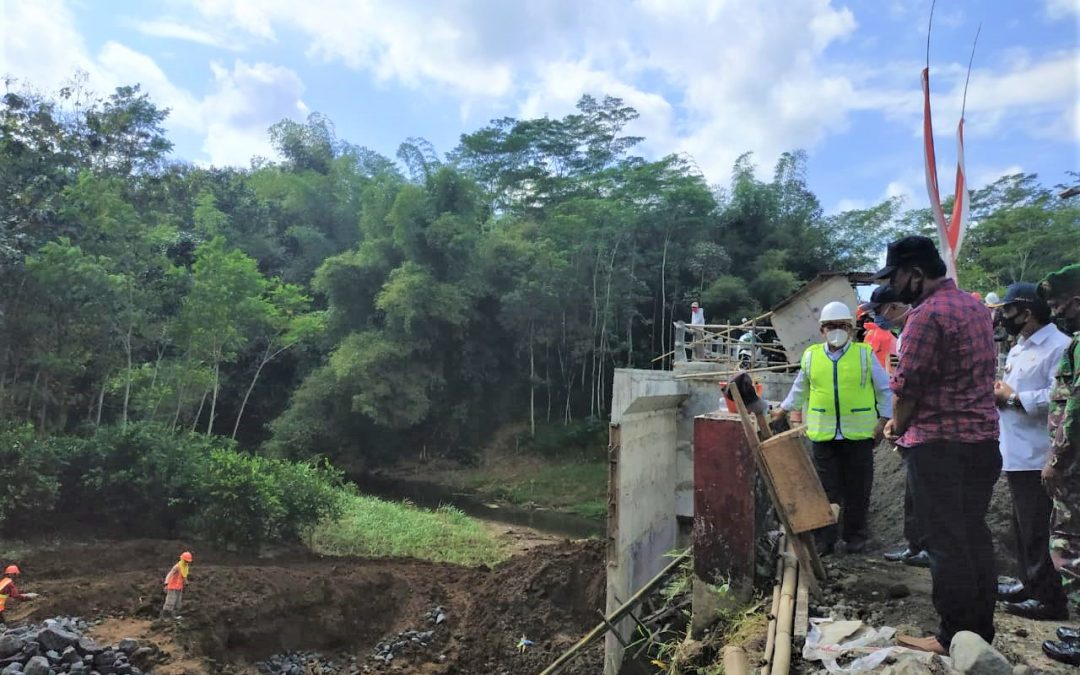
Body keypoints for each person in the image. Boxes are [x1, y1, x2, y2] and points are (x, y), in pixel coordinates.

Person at [878, 236, 1000, 655]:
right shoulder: (975, 307)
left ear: (915, 273)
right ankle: (980, 632)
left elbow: (907, 386)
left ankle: (952, 637)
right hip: (983, 443)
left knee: (945, 543)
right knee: (974, 536)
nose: (894, 286)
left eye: (895, 277)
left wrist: (896, 427)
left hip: (940, 447)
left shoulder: (926, 315)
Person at [772, 301, 892, 555]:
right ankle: (824, 539)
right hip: (823, 435)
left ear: (850, 329)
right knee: (827, 489)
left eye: (841, 326)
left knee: (858, 488)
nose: (836, 330)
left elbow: (884, 390)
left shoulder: (864, 354)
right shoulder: (811, 355)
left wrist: (884, 421)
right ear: (822, 331)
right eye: (830, 326)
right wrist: (782, 409)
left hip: (859, 435)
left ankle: (855, 537)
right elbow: (800, 388)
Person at [988, 283, 1071, 620]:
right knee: (1022, 527)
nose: (1003, 318)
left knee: (1039, 528)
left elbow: (1059, 396)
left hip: (1040, 452)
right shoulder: (1020, 346)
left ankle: (1050, 598)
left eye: (1008, 311)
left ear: (1027, 312)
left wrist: (1011, 397)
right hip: (1016, 451)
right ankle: (1029, 583)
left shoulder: (1059, 346)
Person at [862, 286, 930, 568]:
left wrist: (896, 423)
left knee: (926, 491)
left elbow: (909, 387)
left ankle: (928, 547)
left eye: (879, 310)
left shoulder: (916, 333)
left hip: (923, 427)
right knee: (913, 492)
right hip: (911, 426)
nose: (878, 317)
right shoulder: (903, 336)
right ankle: (915, 545)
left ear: (893, 306)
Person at [1034, 264, 1080, 667]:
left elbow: (1076, 410)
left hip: (1074, 466)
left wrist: (1057, 459)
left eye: (1058, 303)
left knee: (1071, 546)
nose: (1055, 311)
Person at [161, 551, 193, 618]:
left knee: (177, 602)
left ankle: (174, 616)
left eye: (188, 561)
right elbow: (170, 574)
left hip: (179, 587)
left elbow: (184, 576)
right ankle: (165, 617)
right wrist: (166, 584)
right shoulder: (177, 566)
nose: (187, 562)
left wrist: (186, 582)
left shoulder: (185, 567)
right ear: (182, 559)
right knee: (170, 601)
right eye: (186, 561)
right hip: (172, 587)